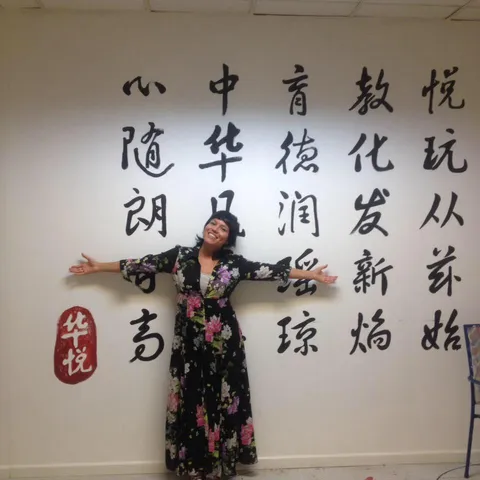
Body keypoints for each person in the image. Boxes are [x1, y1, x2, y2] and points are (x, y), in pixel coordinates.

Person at [69, 211, 337, 480]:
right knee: (191, 399)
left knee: (223, 398)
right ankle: (194, 465)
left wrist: (311, 275)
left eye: (223, 228)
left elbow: (271, 270)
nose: (216, 229)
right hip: (188, 341)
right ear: (205, 227)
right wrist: (99, 267)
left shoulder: (235, 264)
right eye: (213, 223)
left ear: (228, 238)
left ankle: (220, 466)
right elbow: (142, 264)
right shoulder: (180, 256)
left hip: (224, 341)